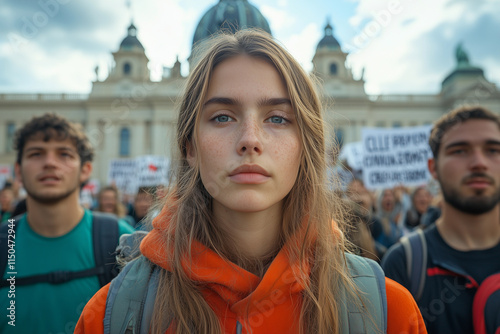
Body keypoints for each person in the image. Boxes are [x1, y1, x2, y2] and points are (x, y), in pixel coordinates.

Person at [76, 30, 425, 334]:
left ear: (307, 145)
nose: (250, 139)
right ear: (189, 147)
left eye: (277, 117)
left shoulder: (389, 313)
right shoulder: (110, 314)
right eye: (222, 116)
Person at [0, 113, 135, 334]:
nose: (50, 163)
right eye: (36, 153)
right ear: (18, 171)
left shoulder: (121, 241)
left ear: (85, 170)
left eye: (64, 154)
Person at [382, 106, 500, 333]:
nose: (478, 162)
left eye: (493, 150)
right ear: (433, 168)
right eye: (459, 151)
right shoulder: (403, 263)